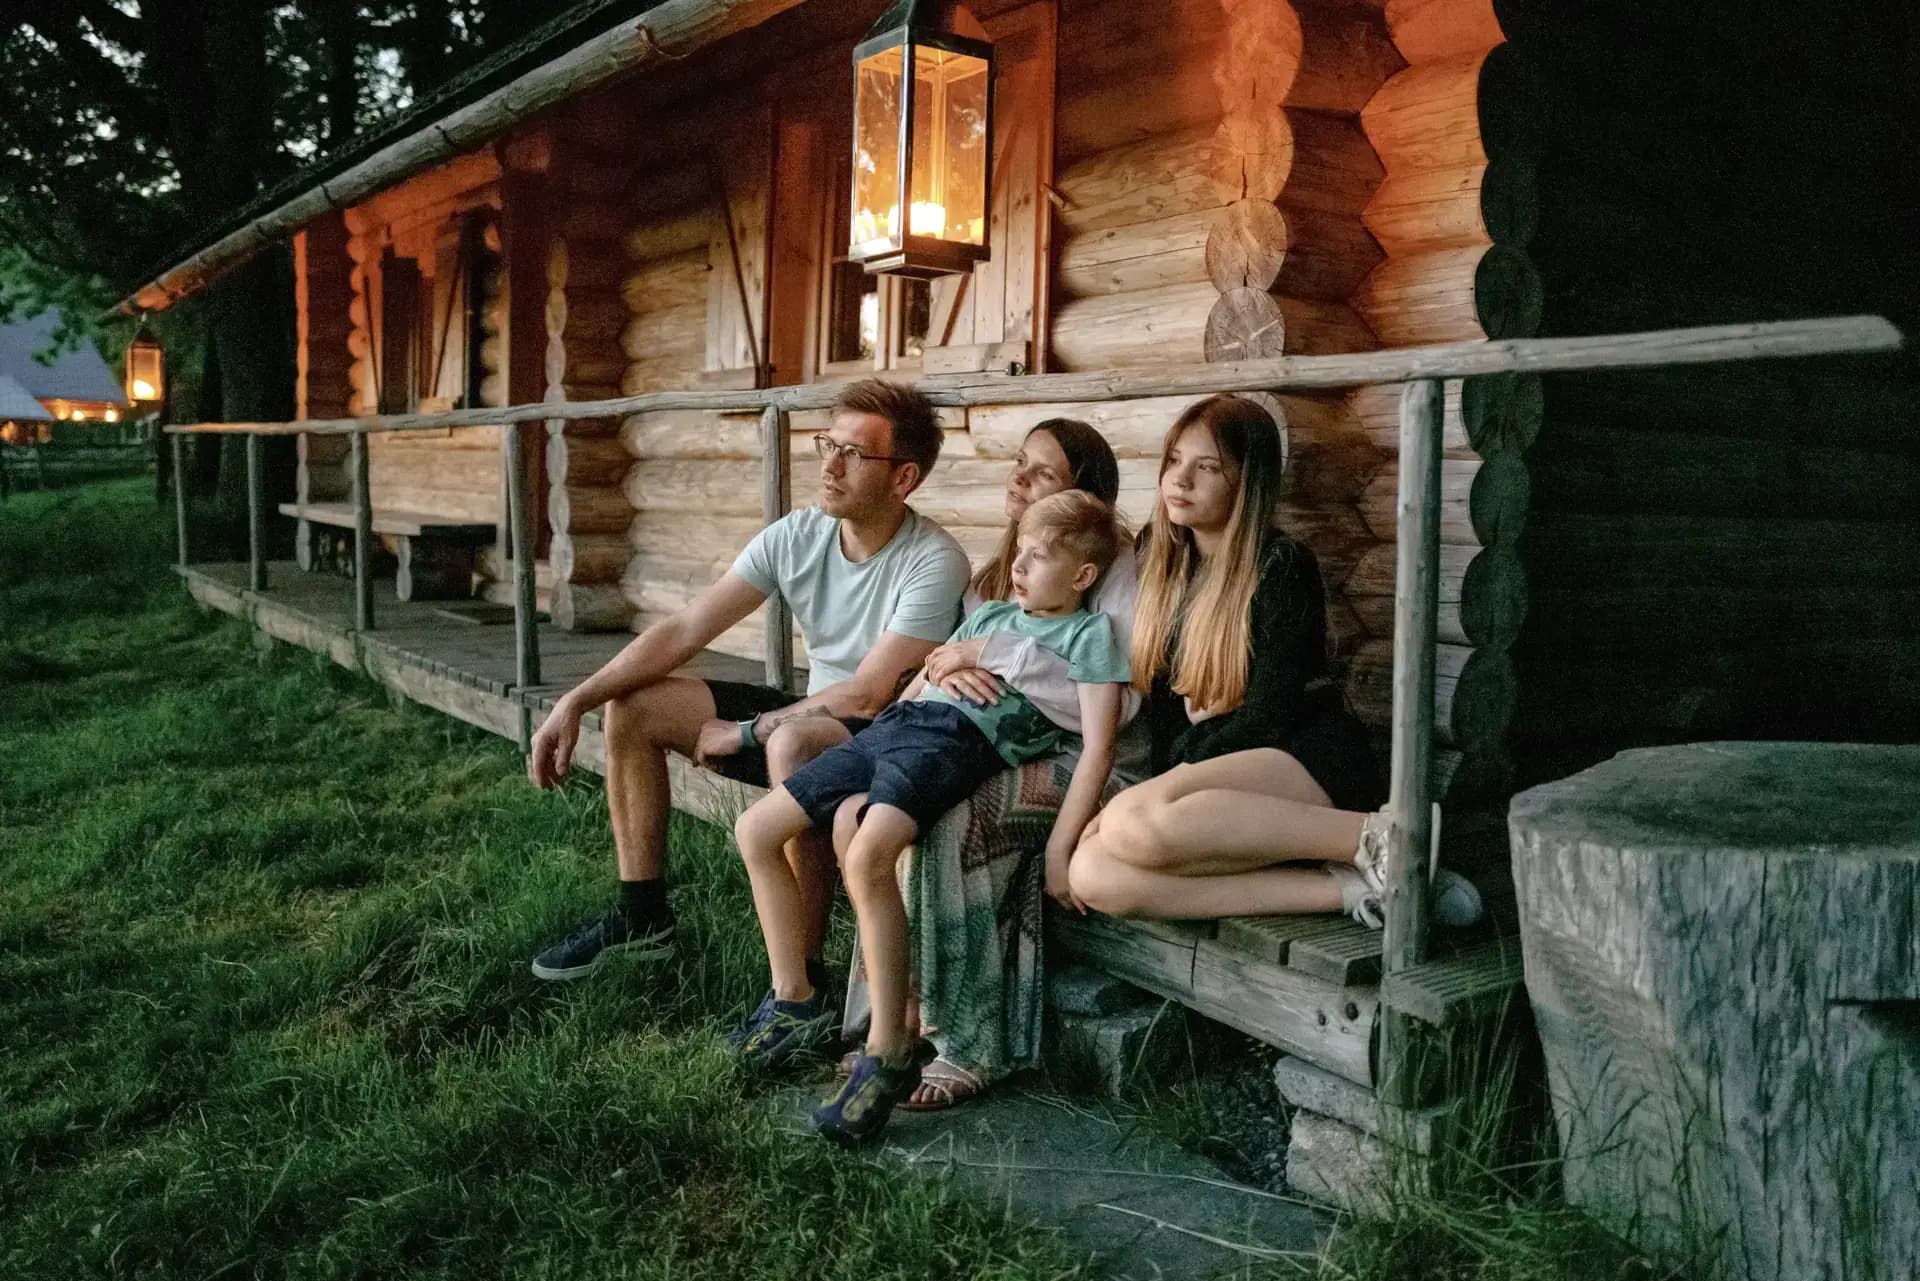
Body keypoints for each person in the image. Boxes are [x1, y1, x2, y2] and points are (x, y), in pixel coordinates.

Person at [524, 379, 972, 984]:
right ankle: (642, 915)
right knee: (636, 707)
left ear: (903, 478)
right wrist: (577, 700)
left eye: (854, 454)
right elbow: (686, 628)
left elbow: (869, 693)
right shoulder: (797, 535)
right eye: (827, 445)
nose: (831, 467)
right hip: (818, 710)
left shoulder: (933, 559)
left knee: (794, 745)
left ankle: (804, 978)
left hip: (884, 733)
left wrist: (750, 730)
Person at [733, 491, 1130, 1143]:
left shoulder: (1088, 636)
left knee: (866, 851)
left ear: (1083, 577)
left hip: (955, 742)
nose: (1020, 564)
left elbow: (1097, 737)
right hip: (897, 726)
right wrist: (944, 664)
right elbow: (921, 680)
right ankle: (794, 998)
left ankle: (887, 1048)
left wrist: (976, 660)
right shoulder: (993, 613)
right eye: (1019, 550)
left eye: (1038, 556)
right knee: (755, 830)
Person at [1067, 393, 1480, 927]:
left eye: (1207, 467)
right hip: (1220, 775)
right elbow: (1167, 706)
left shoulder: (1281, 565)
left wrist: (1157, 788)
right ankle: (1354, 891)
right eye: (1174, 461)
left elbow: (1269, 714)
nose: (1181, 479)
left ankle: (1383, 838)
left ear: (1246, 481)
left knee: (1129, 823)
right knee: (1092, 874)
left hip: (1300, 756)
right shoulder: (1160, 556)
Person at [839, 419, 1142, 1111]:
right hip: (995, 741)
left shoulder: (1115, 571)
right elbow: (943, 667)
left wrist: (992, 660)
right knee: (896, 809)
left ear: (1082, 498)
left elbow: (1111, 712)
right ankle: (897, 1014)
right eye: (1019, 464)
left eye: (1041, 472)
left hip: (1081, 756)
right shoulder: (999, 575)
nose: (1019, 479)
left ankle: (974, 1041)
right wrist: (947, 669)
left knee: (965, 823)